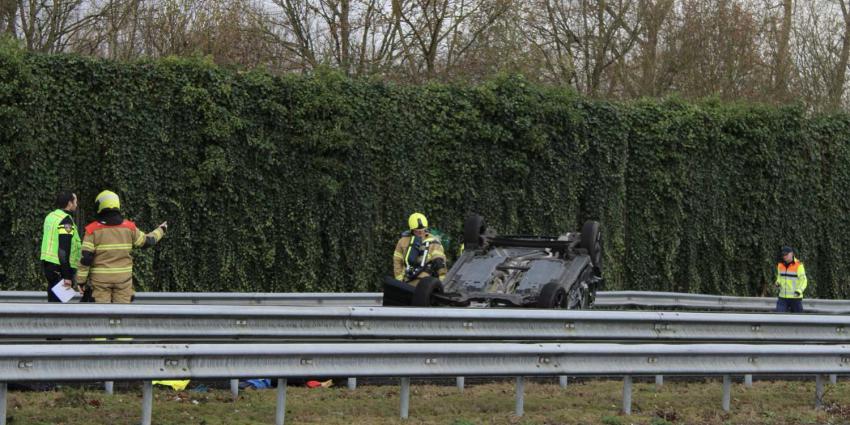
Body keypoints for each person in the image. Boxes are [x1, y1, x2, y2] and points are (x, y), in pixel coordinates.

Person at [75, 190, 167, 304]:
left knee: (101, 315)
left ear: (99, 206)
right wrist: (161, 230)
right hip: (123, 281)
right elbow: (147, 241)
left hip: (101, 281)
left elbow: (86, 258)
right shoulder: (129, 227)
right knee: (122, 315)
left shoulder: (92, 230)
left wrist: (81, 282)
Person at [40, 191, 82, 302]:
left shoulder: (51, 216)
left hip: (49, 265)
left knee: (53, 301)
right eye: (75, 201)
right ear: (70, 203)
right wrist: (67, 275)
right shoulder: (66, 220)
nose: (76, 204)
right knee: (59, 307)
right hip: (59, 268)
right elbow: (63, 249)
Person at [392, 212, 447, 286]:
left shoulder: (433, 241)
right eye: (417, 231)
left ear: (426, 228)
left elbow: (439, 262)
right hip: (408, 281)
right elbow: (397, 261)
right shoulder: (403, 241)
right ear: (412, 230)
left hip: (426, 283)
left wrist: (442, 281)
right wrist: (399, 280)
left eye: (423, 230)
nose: (421, 233)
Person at [775, 245, 807, 313]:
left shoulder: (799, 265)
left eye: (786, 254)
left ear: (792, 254)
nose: (784, 256)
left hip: (795, 297)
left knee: (798, 320)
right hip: (782, 297)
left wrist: (799, 291)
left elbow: (803, 280)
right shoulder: (780, 265)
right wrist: (778, 283)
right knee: (778, 317)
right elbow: (779, 277)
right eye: (783, 255)